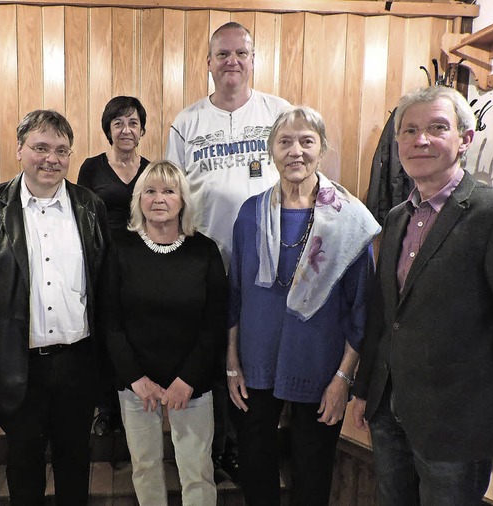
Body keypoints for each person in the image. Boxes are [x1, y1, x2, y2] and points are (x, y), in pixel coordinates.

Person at [352, 86, 493, 506]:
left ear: (465, 138)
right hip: (390, 411)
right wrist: (366, 392)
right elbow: (387, 316)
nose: (420, 140)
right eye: (409, 130)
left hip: (457, 421)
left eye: (437, 128)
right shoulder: (396, 216)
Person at [0, 110, 109, 506]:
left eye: (61, 150)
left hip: (78, 361)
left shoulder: (90, 206)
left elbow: (105, 289)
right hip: (18, 364)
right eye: (40, 147)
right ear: (20, 149)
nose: (51, 158)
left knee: (76, 461)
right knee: (23, 465)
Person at [227, 106, 380, 506]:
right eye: (285, 141)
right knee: (256, 469)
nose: (295, 151)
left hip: (320, 367)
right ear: (271, 151)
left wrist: (343, 379)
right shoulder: (249, 214)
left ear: (322, 149)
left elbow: (360, 307)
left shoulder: (350, 220)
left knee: (312, 475)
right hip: (255, 365)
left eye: (306, 141)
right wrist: (231, 363)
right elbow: (235, 295)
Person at [165, 21, 290, 480]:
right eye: (223, 54)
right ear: (209, 63)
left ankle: (247, 447)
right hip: (204, 261)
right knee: (211, 356)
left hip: (268, 263)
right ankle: (210, 450)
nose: (232, 61)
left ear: (253, 61)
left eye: (241, 53)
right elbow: (171, 193)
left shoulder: (280, 113)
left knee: (253, 360)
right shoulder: (187, 121)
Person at [103, 160, 227, 506]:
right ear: (138, 199)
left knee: (197, 469)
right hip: (137, 384)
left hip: (191, 383)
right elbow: (110, 321)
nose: (159, 199)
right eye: (150, 191)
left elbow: (213, 323)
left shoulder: (204, 251)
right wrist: (135, 378)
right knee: (144, 467)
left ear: (183, 200)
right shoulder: (119, 248)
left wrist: (187, 379)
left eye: (169, 191)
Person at [77, 95, 150, 436]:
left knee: (133, 332)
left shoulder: (151, 168)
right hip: (101, 261)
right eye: (118, 122)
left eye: (133, 122)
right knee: (105, 333)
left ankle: (134, 397)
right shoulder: (91, 167)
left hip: (141, 262)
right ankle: (106, 409)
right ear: (108, 128)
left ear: (142, 129)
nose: (126, 129)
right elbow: (81, 218)